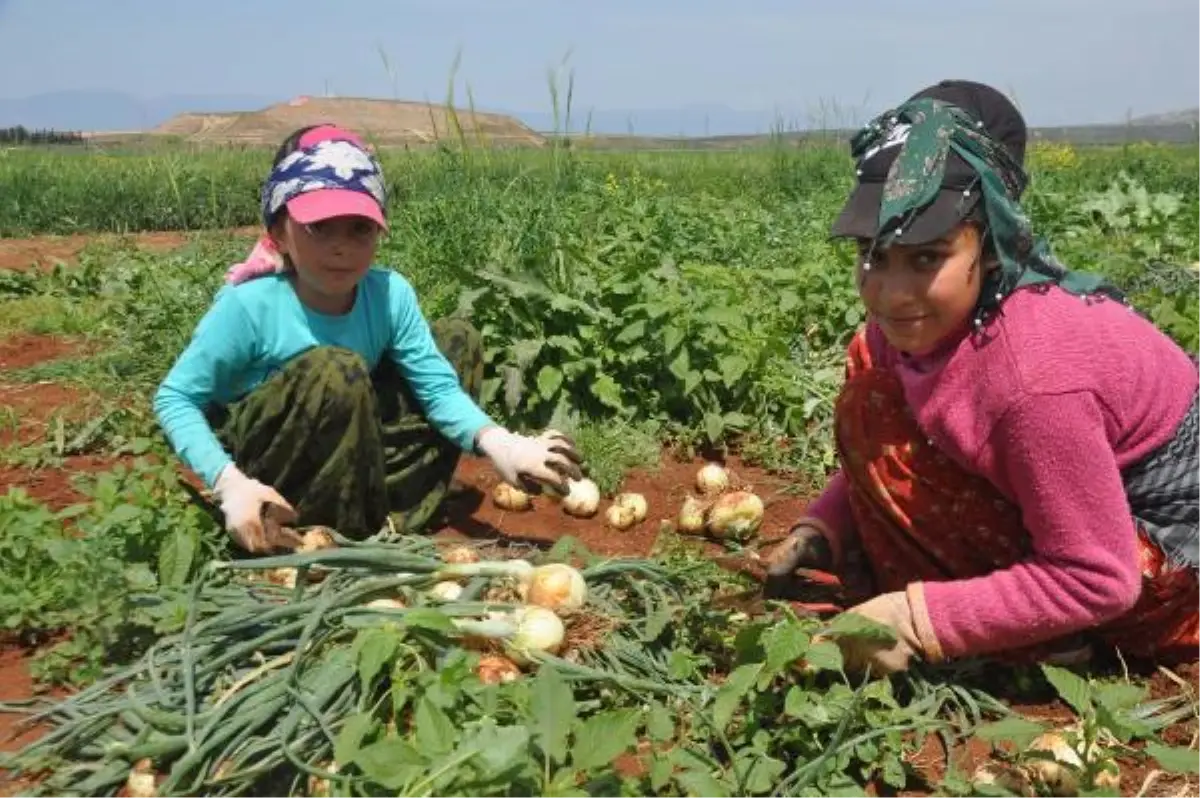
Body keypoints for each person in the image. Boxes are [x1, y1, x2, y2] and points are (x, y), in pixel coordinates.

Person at [764, 80, 1199, 675]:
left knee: (878, 411)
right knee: (871, 389)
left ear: (991, 245)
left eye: (926, 258)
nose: (891, 294)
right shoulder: (917, 328)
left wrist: (919, 620)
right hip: (1087, 502)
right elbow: (899, 438)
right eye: (873, 253)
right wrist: (825, 526)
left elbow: (1102, 577)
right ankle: (1001, 609)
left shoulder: (1032, 379)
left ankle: (1047, 644)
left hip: (1163, 564)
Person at [154, 124, 582, 552]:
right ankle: (300, 527)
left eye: (359, 228)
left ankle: (387, 514)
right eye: (319, 227)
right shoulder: (250, 306)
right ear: (280, 233)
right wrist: (229, 482)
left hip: (350, 433)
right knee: (335, 369)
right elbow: (175, 397)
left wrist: (500, 443)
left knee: (456, 341)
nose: (341, 247)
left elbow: (436, 388)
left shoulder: (389, 293)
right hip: (268, 464)